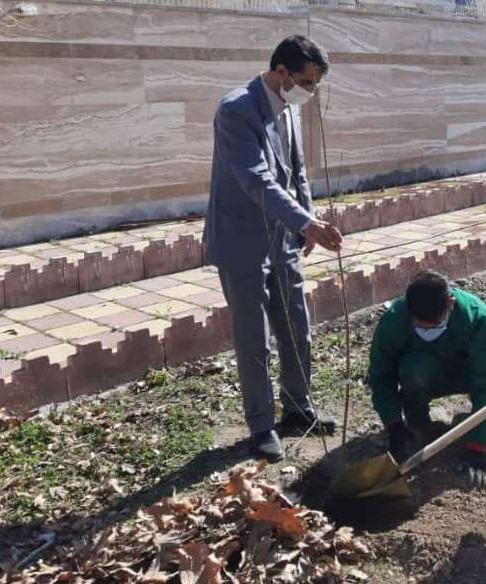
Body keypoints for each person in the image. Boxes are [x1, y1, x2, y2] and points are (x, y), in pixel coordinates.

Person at [203, 35, 343, 463]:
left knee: (296, 326)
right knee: (254, 338)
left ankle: (298, 409)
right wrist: (305, 222)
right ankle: (262, 426)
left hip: (283, 240)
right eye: (305, 82)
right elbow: (257, 180)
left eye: (315, 84)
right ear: (282, 72)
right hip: (242, 243)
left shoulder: (291, 110)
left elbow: (297, 174)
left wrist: (308, 221)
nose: (310, 92)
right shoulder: (236, 109)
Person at [367, 272, 486, 489]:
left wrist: (477, 447)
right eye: (422, 326)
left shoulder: (476, 315)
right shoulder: (394, 320)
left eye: (435, 325)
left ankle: (482, 416)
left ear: (451, 303)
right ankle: (418, 423)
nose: (428, 331)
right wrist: (394, 426)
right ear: (409, 309)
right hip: (424, 374)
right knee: (415, 370)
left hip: (467, 370)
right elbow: (381, 377)